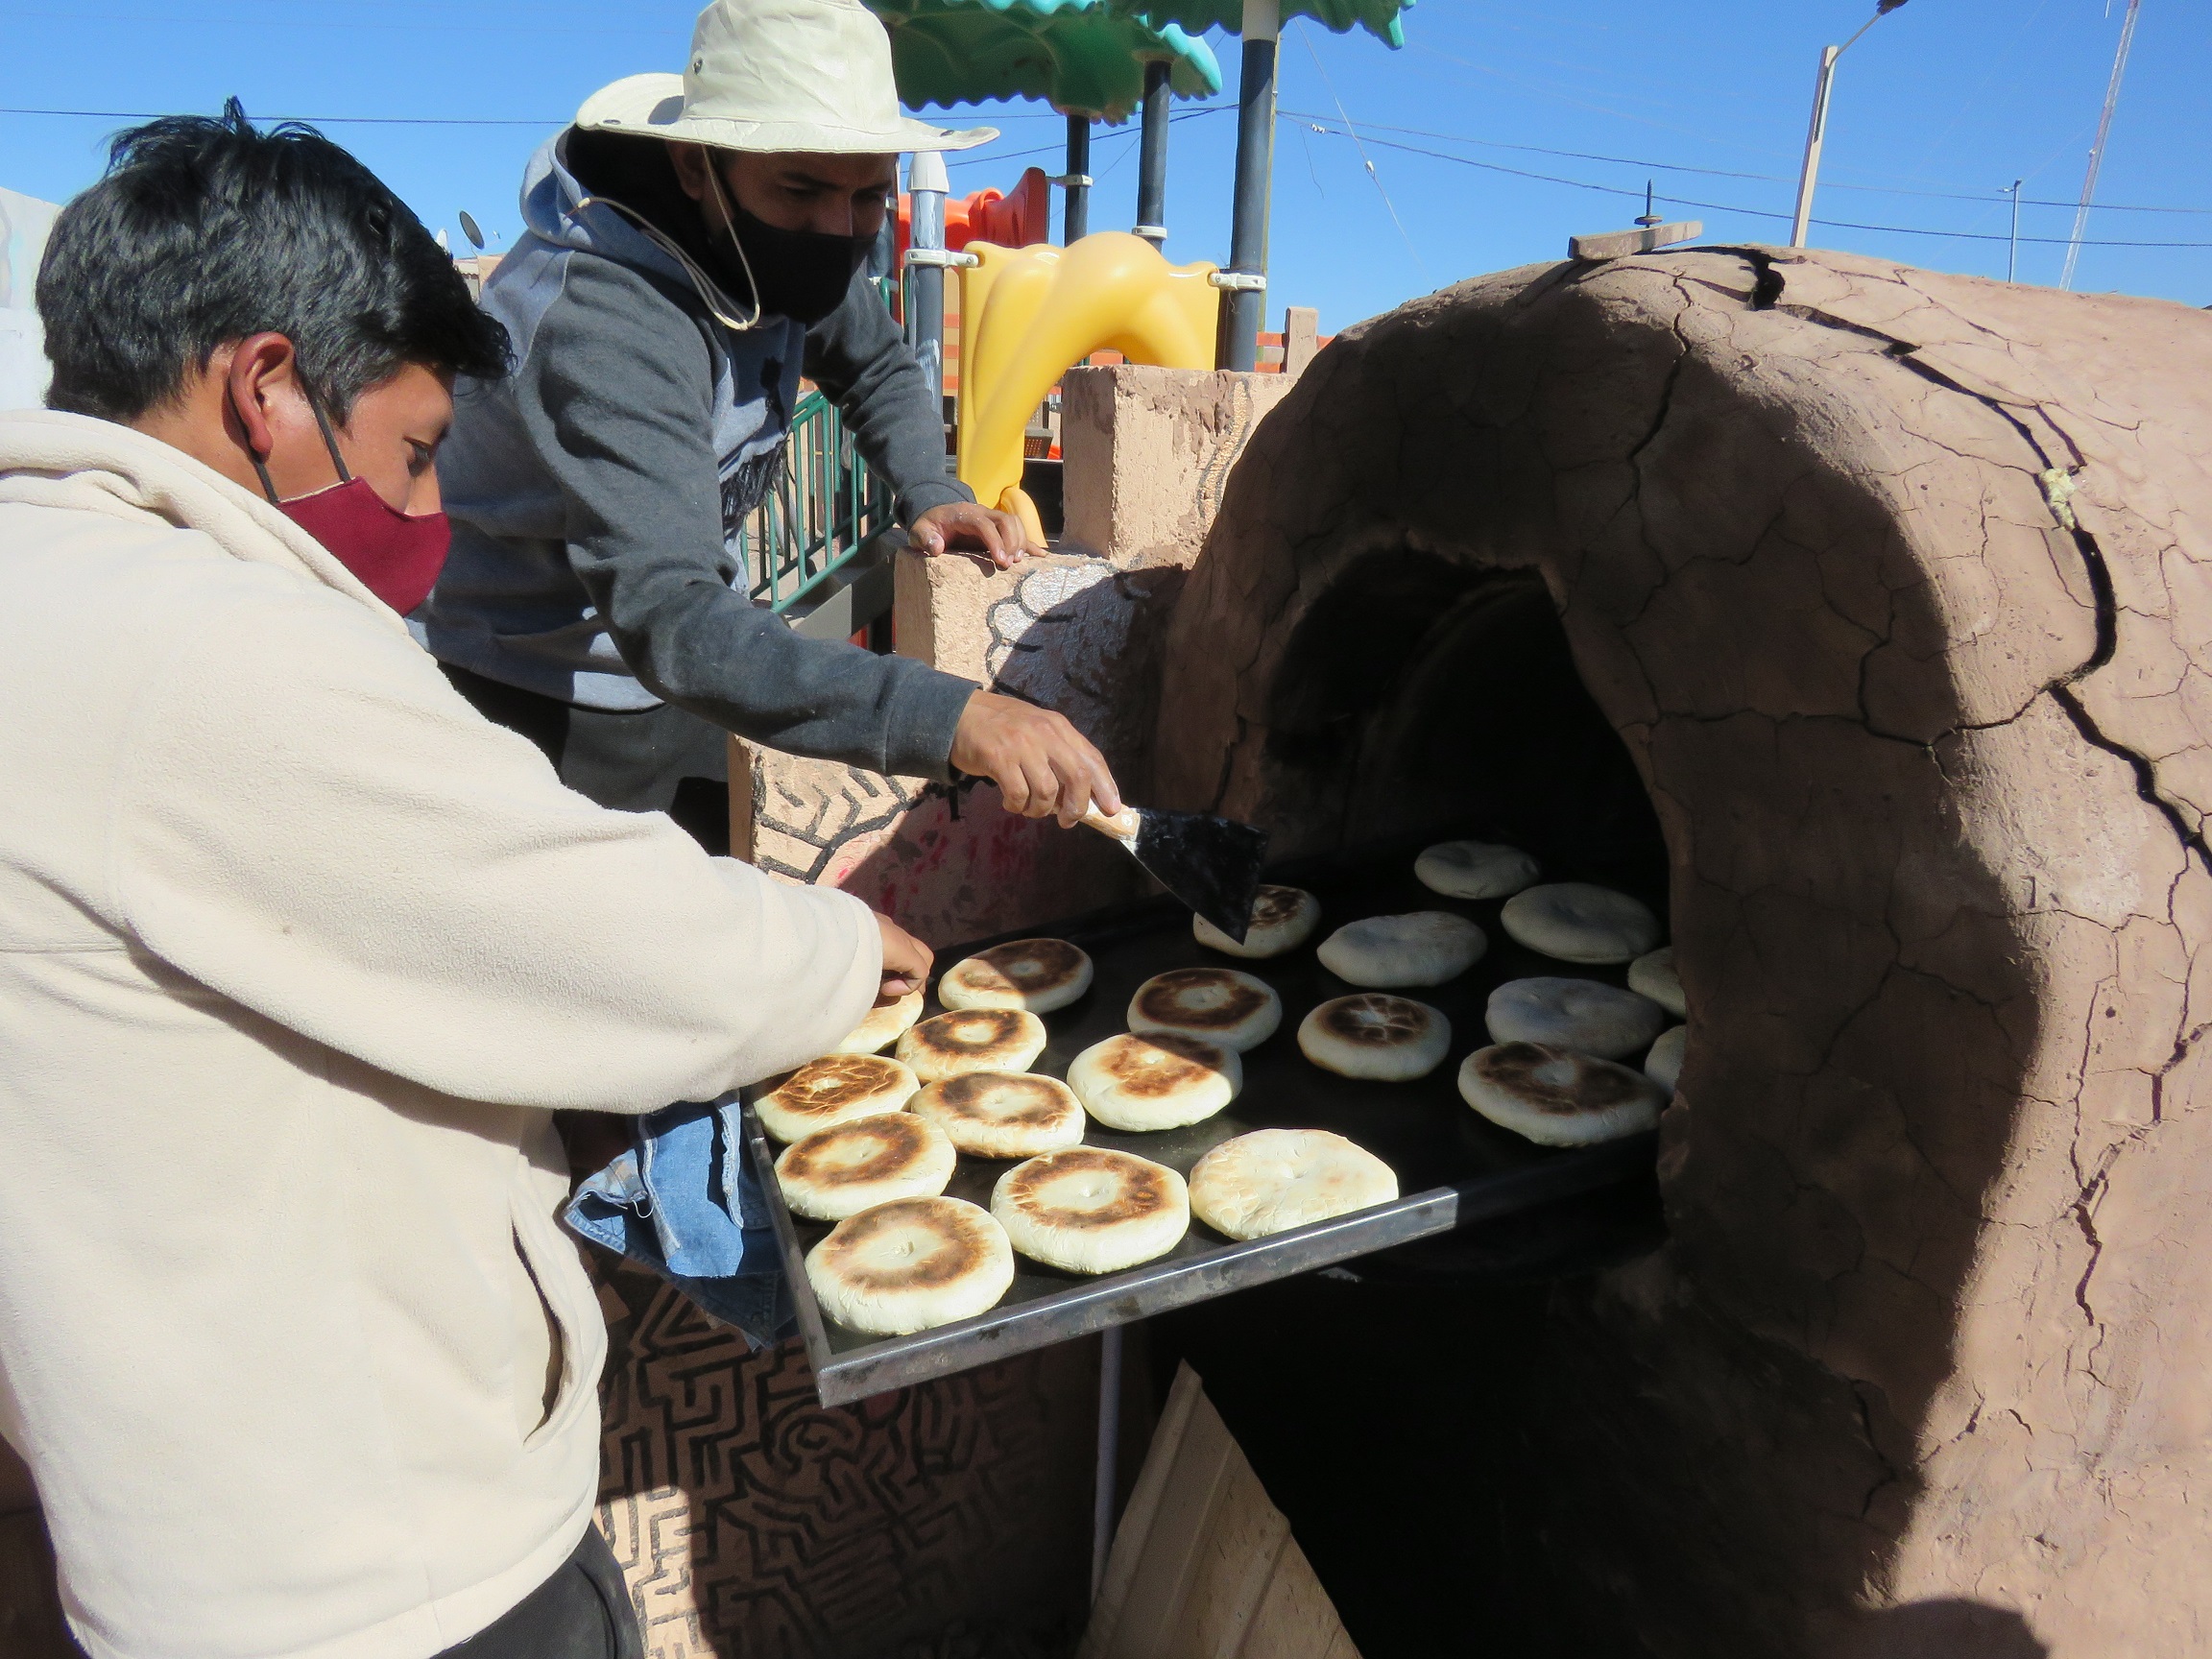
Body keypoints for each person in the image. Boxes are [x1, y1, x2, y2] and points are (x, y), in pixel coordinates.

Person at [3, 103, 931, 1659]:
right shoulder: (212, 650)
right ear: (267, 387)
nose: (431, 518)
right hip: (384, 1568)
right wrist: (839, 952)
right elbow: (569, 925)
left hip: (161, 1549)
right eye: (417, 454)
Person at [421, 0, 1121, 849]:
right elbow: (676, 621)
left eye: (870, 196)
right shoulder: (606, 319)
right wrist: (954, 718)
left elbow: (875, 362)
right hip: (525, 687)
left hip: (664, 674)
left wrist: (931, 489)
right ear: (695, 168)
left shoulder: (776, 251)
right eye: (802, 189)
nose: (840, 229)